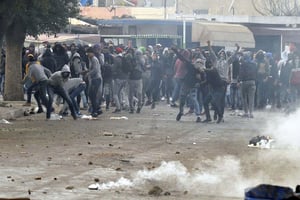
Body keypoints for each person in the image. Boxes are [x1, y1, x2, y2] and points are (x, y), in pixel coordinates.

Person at [239, 51, 257, 118]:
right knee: (251, 98)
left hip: (244, 82)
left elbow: (241, 73)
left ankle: (246, 112)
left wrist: (239, 81)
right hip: (252, 82)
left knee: (244, 98)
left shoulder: (243, 64)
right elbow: (256, 72)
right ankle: (251, 113)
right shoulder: (254, 64)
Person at [86, 47, 103, 117]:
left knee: (92, 95)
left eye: (88, 53)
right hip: (94, 79)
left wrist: (88, 74)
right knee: (91, 95)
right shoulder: (91, 59)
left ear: (92, 53)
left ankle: (96, 110)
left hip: (96, 79)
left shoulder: (94, 59)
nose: (87, 54)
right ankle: (97, 109)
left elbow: (95, 70)